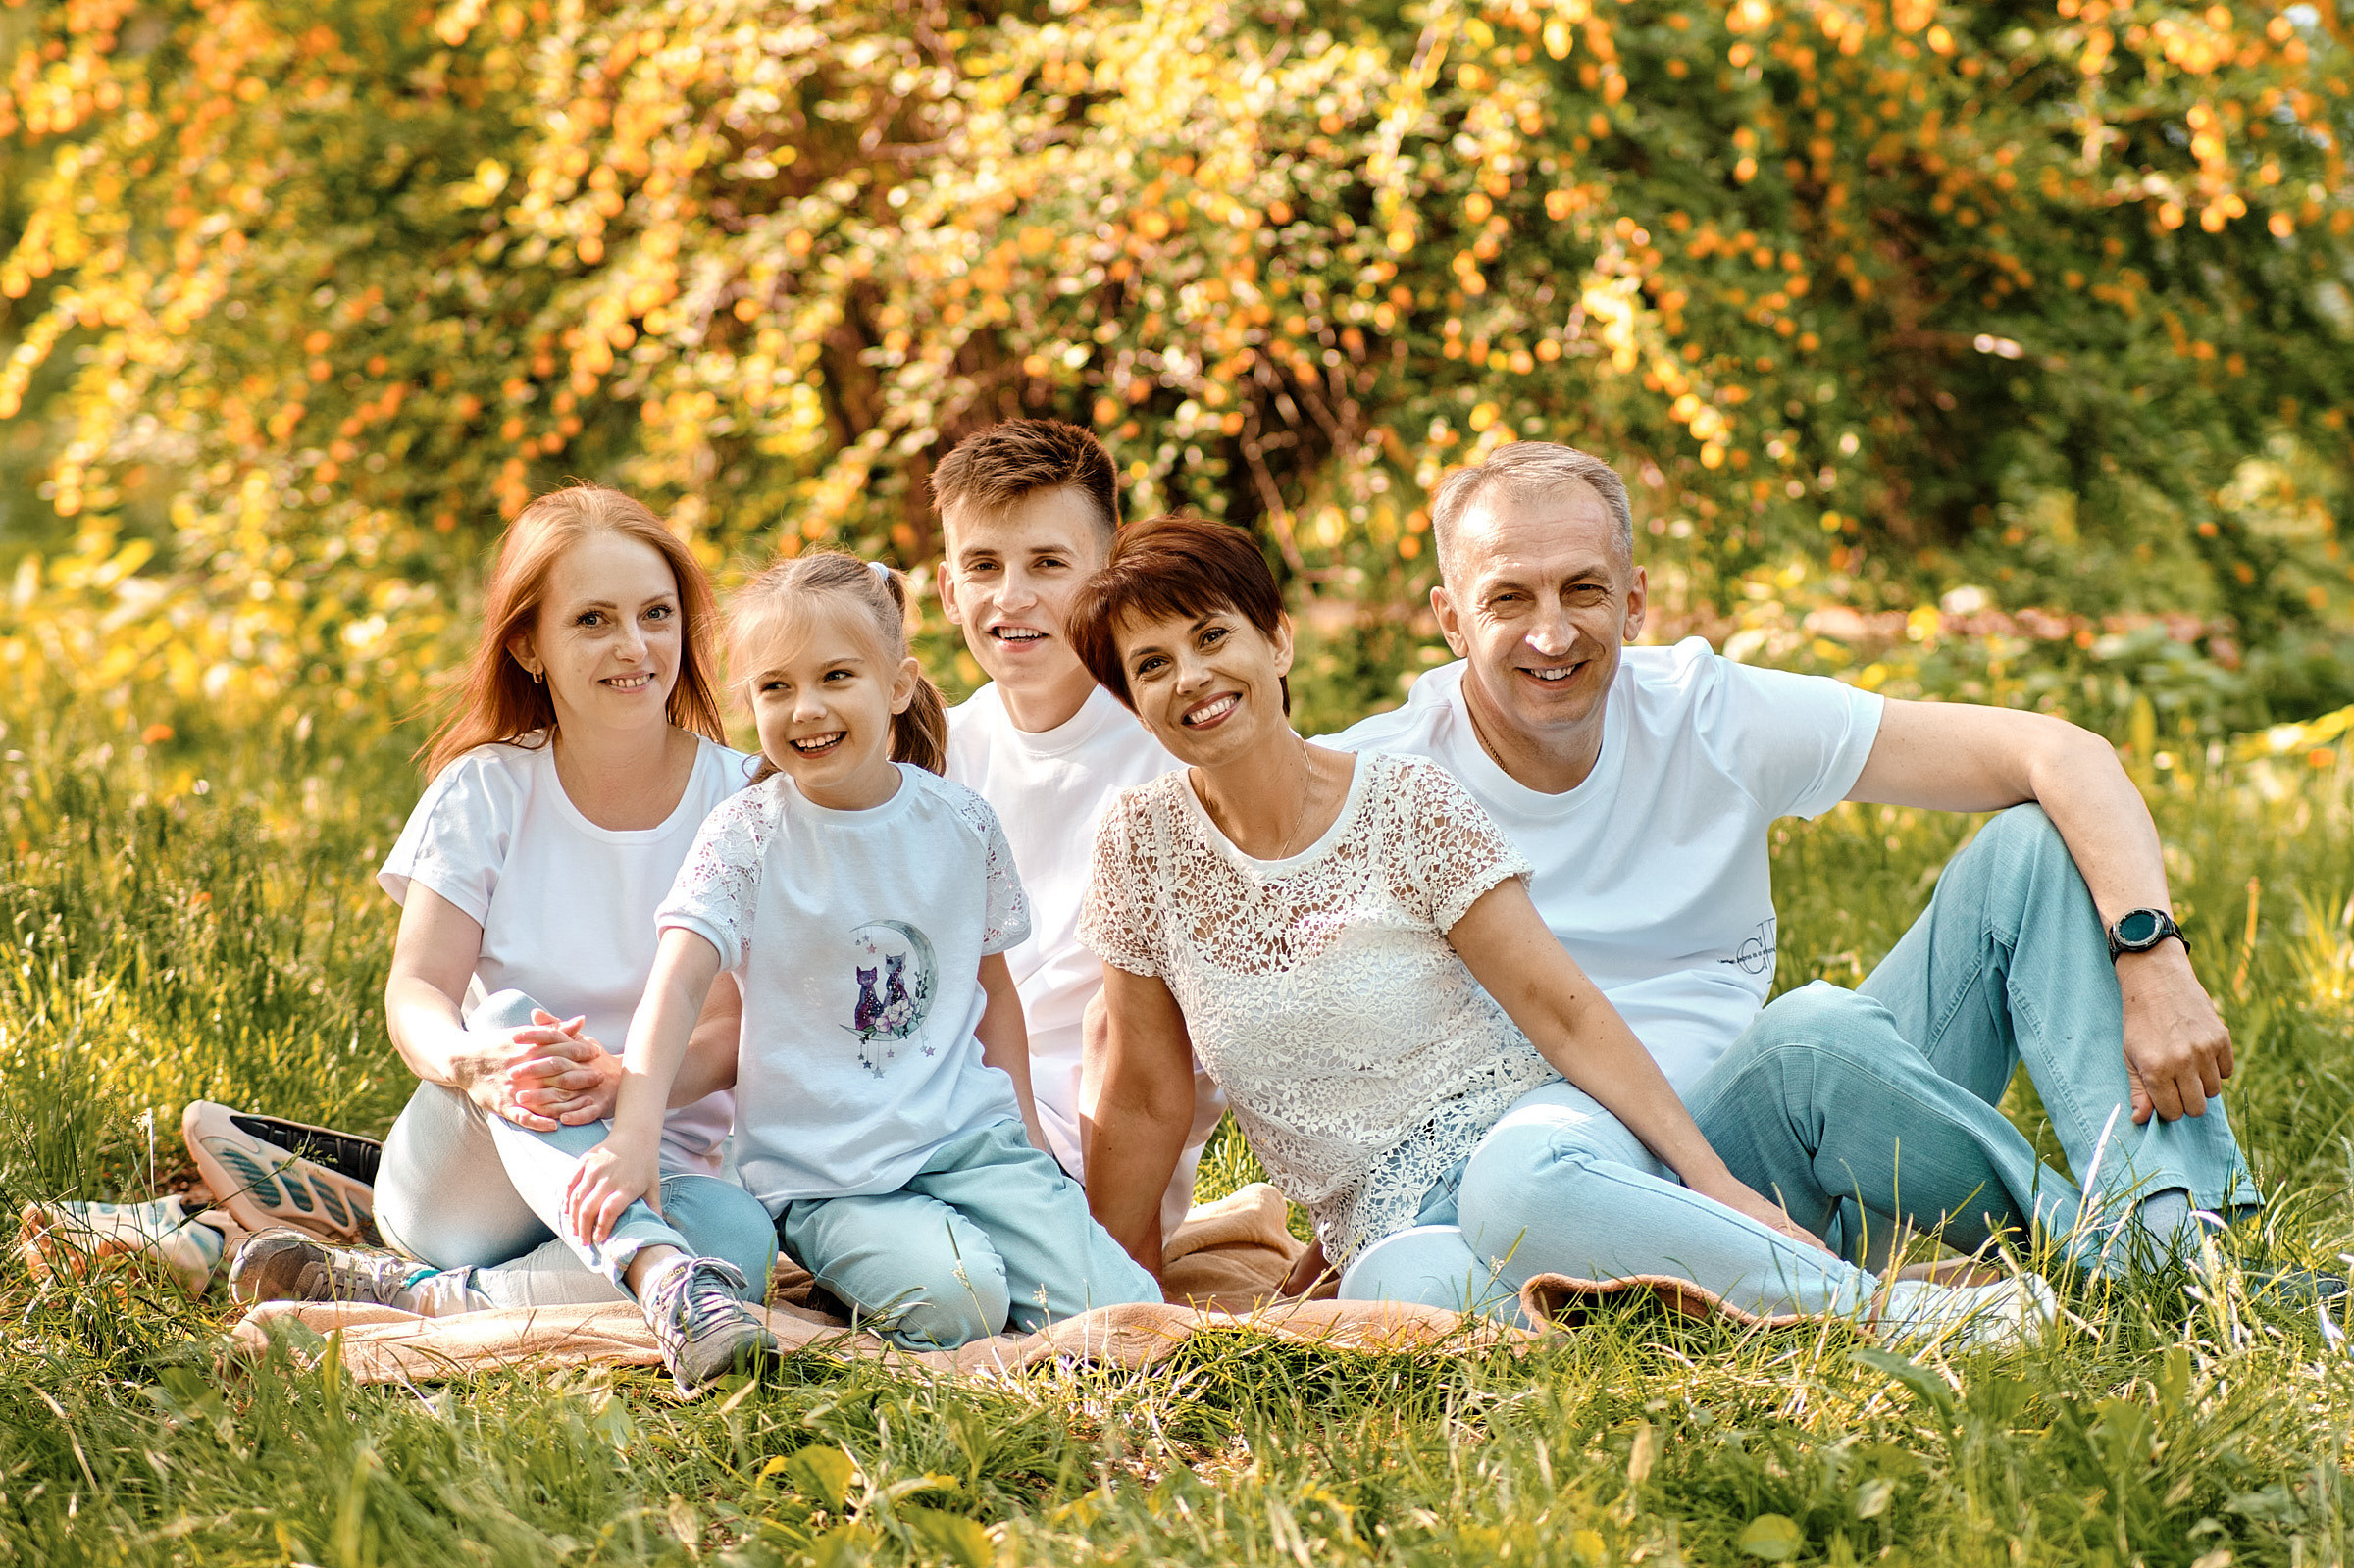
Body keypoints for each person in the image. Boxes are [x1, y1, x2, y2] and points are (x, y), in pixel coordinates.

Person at [1324, 440, 2318, 1302]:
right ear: (1450, 620)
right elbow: (1215, 974)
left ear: (1633, 601)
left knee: (2026, 851)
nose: (1552, 632)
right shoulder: (1377, 783)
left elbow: (2060, 754)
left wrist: (2153, 956)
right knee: (1429, 1266)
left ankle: (2181, 1224)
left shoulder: (1711, 714)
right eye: (1508, 598)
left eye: (1582, 589)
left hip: (1793, 1145)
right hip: (1583, 1185)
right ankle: (2147, 1269)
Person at [1071, 514, 2052, 1342]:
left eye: (1211, 636)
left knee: (1519, 1186)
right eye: (1150, 665)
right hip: (1392, 1229)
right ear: (1129, 699)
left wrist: (1712, 1181)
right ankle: (1685, 1297)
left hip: (1549, 1145)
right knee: (1405, 1298)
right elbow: (1145, 1097)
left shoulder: (1405, 802)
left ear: (1276, 641)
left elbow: (1563, 1013)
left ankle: (1891, 1319)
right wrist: (1106, 1304)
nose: (1191, 677)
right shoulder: (1139, 847)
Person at [227, 484, 783, 1395]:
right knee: (521, 1025)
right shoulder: (483, 789)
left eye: (655, 614)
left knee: (741, 1243)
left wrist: (625, 1084)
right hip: (472, 1169)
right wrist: (476, 1063)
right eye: (593, 620)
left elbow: (729, 1031)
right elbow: (416, 992)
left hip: (650, 1166)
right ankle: (654, 1272)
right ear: (529, 644)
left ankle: (414, 1296)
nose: (633, 646)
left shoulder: (742, 799)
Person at [565, 553, 1162, 1351]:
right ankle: (882, 1254)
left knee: (1127, 1309)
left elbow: (995, 996)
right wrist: (633, 1135)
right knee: (960, 1302)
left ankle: (972, 1233)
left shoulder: (962, 824)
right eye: (775, 687)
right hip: (827, 1171)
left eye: (836, 676)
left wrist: (1028, 1140)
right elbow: (674, 990)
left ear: (898, 685)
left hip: (969, 1142)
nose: (806, 709)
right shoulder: (746, 836)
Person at [932, 419, 1222, 1241]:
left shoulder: (1171, 752)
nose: (1011, 598)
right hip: (934, 1109)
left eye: (1048, 564)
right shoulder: (932, 754)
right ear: (949, 589)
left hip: (1088, 1146)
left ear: (1107, 575)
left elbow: (1174, 1050)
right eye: (983, 565)